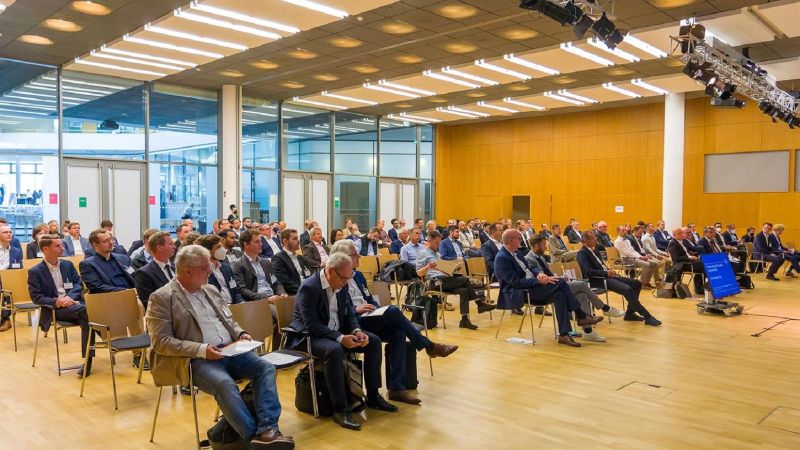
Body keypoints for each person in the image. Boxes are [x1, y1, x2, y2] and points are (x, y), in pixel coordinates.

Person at [146, 245, 293, 449]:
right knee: (225, 384)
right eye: (206, 267)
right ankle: (253, 438)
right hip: (197, 359)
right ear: (187, 269)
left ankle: (267, 430)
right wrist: (202, 349)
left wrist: (240, 334)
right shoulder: (162, 297)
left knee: (265, 368)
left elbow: (229, 320)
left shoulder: (210, 289)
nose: (211, 270)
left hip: (231, 350)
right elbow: (161, 342)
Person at [330, 240, 457, 404]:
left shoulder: (359, 275)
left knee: (398, 333)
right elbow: (339, 309)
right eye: (355, 255)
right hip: (354, 323)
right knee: (393, 310)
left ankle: (396, 388)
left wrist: (374, 308)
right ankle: (429, 346)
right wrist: (356, 310)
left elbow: (369, 298)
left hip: (369, 317)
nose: (359, 257)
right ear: (343, 258)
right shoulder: (339, 278)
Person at [287, 252, 398, 430]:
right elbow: (312, 325)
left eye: (348, 278)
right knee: (335, 350)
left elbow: (348, 313)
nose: (346, 282)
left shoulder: (342, 284)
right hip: (309, 336)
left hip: (334, 331)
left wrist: (356, 330)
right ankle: (340, 409)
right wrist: (340, 338)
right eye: (343, 278)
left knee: (373, 341)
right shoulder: (309, 287)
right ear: (330, 271)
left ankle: (373, 395)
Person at [495, 230, 604, 347]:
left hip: (533, 286)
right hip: (521, 292)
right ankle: (581, 316)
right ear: (511, 240)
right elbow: (515, 282)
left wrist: (539, 274)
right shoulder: (502, 258)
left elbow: (530, 267)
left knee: (560, 295)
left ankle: (564, 334)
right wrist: (538, 280)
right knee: (561, 282)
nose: (521, 241)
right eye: (519, 239)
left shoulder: (517, 253)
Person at [525, 235, 619, 341]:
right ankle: (604, 308)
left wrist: (560, 277)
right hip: (546, 289)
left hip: (556, 283)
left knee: (582, 295)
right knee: (582, 285)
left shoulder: (541, 257)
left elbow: (550, 274)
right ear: (536, 246)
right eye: (543, 244)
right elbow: (536, 278)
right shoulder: (528, 259)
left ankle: (588, 332)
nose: (546, 247)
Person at [28, 235, 94, 377]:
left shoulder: (67, 265)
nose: (62, 247)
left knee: (88, 316)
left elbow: (78, 284)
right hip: (55, 309)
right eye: (57, 245)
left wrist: (70, 297)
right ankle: (93, 356)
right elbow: (36, 297)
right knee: (90, 312)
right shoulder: (35, 271)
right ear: (46, 249)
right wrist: (57, 301)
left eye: (61, 245)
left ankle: (89, 359)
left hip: (74, 304)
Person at [577, 231, 661, 326]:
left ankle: (629, 313)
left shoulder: (595, 250)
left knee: (636, 283)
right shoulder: (582, 253)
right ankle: (647, 316)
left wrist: (610, 271)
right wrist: (606, 273)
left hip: (607, 276)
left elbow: (601, 266)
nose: (595, 240)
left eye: (595, 238)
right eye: (593, 239)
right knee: (627, 289)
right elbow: (587, 272)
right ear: (585, 241)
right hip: (598, 280)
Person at [416, 230, 495, 330]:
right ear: (429, 241)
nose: (439, 244)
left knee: (464, 290)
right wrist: (428, 266)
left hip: (445, 280)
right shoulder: (423, 254)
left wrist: (453, 269)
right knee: (465, 280)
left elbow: (444, 269)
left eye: (439, 242)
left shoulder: (438, 254)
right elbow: (419, 273)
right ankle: (479, 303)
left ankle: (464, 320)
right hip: (434, 282)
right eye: (436, 242)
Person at [79, 229, 135, 294]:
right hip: (109, 298)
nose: (111, 242)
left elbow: (135, 276)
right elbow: (96, 287)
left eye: (111, 239)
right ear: (95, 245)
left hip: (134, 294)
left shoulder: (123, 258)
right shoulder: (88, 264)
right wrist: (125, 291)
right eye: (106, 241)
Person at [195, 234, 243, 305]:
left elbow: (235, 290)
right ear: (206, 251)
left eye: (222, 246)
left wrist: (240, 302)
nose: (223, 250)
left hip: (234, 307)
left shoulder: (226, 268)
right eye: (218, 247)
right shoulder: (201, 271)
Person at [133, 231, 175, 311]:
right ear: (159, 247)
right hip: (164, 316)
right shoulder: (144, 273)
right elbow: (149, 304)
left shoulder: (175, 267)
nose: (174, 247)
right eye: (170, 244)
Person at [271, 229, 312, 295]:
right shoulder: (278, 258)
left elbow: (308, 275)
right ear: (285, 241)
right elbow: (285, 281)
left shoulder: (300, 258)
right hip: (293, 293)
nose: (298, 241)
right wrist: (304, 291)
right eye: (295, 239)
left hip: (307, 290)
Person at [667, 228, 706, 294]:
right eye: (679, 233)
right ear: (674, 235)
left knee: (706, 265)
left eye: (682, 233)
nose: (681, 234)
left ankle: (700, 288)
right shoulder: (673, 243)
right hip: (683, 264)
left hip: (688, 261)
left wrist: (692, 254)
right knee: (705, 266)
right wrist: (689, 257)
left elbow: (687, 251)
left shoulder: (682, 241)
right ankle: (701, 289)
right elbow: (675, 258)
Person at [0, 224, 23, 331]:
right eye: (5, 232)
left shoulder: (16, 251)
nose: (9, 234)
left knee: (9, 285)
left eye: (10, 232)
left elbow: (19, 268)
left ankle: (6, 319)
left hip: (10, 277)